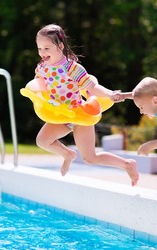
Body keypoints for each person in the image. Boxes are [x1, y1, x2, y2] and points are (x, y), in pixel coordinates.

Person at [30, 24, 139, 186]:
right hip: (60, 115)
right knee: (42, 141)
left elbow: (92, 87)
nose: (42, 53)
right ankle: (68, 154)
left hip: (79, 115)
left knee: (90, 158)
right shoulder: (41, 68)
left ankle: (127, 164)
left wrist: (109, 94)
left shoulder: (72, 68)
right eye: (39, 48)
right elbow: (40, 85)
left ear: (60, 46)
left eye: (46, 48)